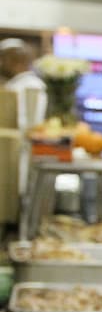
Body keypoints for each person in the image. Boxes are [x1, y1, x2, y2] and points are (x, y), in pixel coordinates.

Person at [0, 38, 47, 204]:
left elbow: (26, 126)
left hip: (18, 157)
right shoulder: (13, 86)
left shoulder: (30, 87)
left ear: (15, 60)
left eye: (2, 58)